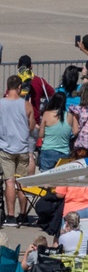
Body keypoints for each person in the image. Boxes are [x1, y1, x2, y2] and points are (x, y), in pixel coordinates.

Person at [1, 75, 34, 224]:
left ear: (7, 87)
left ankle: (10, 215)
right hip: (22, 147)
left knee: (9, 182)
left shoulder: (1, 103)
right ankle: (23, 214)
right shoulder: (26, 105)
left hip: (6, 146)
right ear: (19, 87)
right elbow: (32, 126)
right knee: (22, 182)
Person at [38, 92, 72, 171]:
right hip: (64, 153)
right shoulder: (69, 116)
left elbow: (41, 135)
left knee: (45, 180)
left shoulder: (47, 114)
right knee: (61, 181)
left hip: (48, 151)